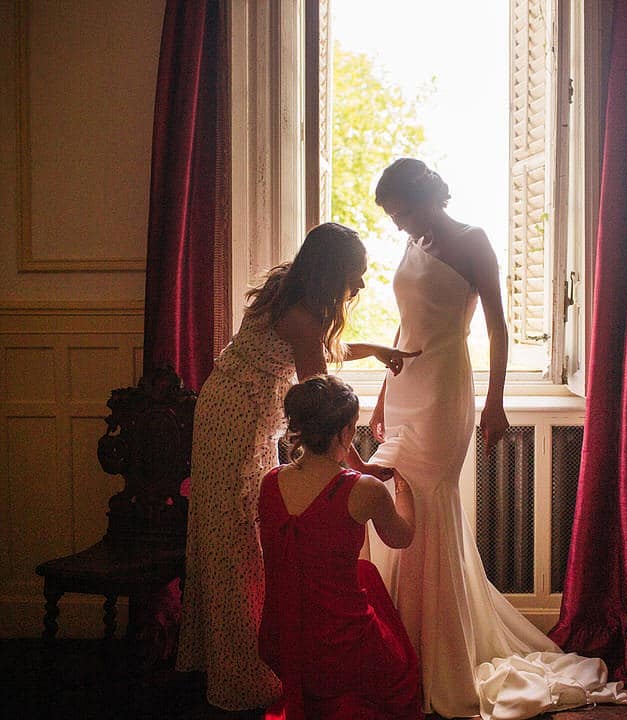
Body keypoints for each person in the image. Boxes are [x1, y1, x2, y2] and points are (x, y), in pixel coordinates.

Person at [176, 222, 419, 711]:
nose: (363, 285)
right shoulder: (303, 313)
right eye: (357, 274)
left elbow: (319, 355)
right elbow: (325, 406)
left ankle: (246, 661)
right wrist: (360, 473)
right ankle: (241, 679)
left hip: (233, 415)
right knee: (235, 546)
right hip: (235, 425)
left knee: (244, 540)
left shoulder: (294, 289)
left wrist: (376, 350)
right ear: (333, 272)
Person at [365, 158, 561, 717]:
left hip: (448, 387)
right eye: (393, 216)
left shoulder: (474, 242)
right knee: (401, 501)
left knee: (431, 504)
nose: (399, 224)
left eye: (402, 211)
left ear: (426, 196)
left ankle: (441, 657)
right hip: (405, 388)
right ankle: (401, 646)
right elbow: (404, 329)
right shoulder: (412, 245)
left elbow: (497, 326)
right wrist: (381, 396)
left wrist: (495, 401)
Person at [257, 374, 422, 720]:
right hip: (339, 646)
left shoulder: (270, 483)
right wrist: (405, 488)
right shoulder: (363, 490)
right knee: (402, 673)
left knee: (364, 573)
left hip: (280, 640)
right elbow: (401, 537)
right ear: (346, 432)